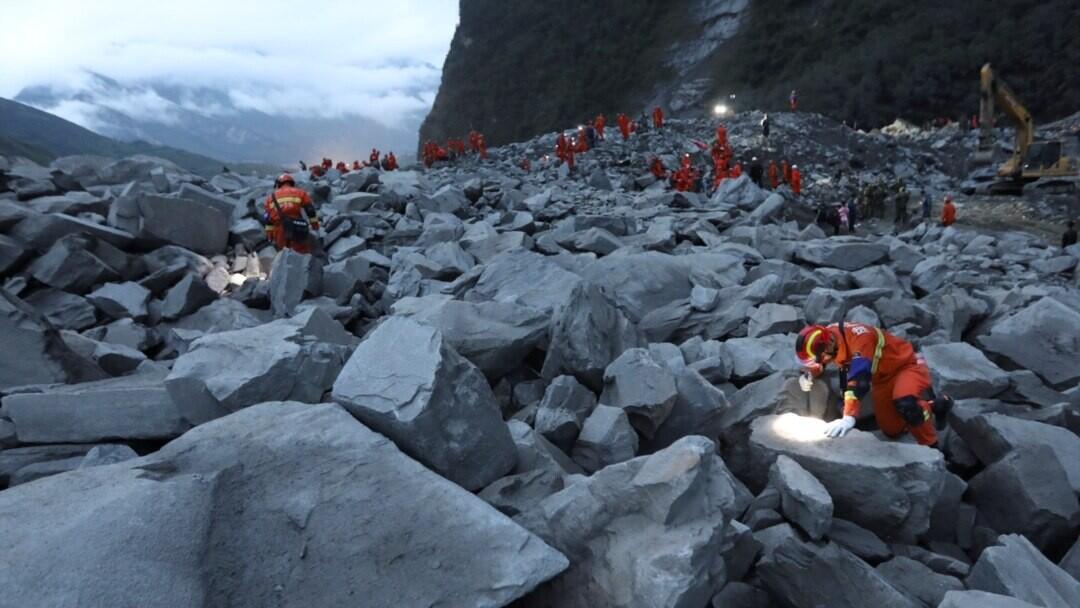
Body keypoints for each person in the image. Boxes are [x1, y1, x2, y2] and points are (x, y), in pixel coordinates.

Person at [796, 322, 953, 448]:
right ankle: (934, 405)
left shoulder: (861, 338)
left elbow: (859, 381)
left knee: (907, 405)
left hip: (906, 366)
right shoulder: (830, 336)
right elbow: (823, 361)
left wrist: (848, 417)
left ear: (829, 344)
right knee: (891, 430)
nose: (820, 361)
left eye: (819, 358)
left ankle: (932, 445)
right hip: (881, 378)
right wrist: (809, 374)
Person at [263, 174, 319, 254]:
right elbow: (310, 211)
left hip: (279, 229)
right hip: (297, 227)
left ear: (278, 184)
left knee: (283, 254)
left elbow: (268, 219)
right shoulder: (300, 193)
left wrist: (269, 235)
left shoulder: (270, 197)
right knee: (301, 253)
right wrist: (315, 226)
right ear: (292, 183)